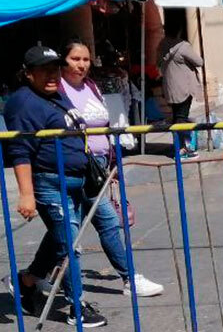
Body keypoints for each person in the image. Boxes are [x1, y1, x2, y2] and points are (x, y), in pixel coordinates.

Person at [2, 45, 107, 328]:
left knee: (59, 239)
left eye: (54, 69)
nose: (52, 75)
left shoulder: (55, 94)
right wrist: (27, 195)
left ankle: (25, 281)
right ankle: (77, 306)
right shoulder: (23, 103)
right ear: (28, 74)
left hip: (78, 180)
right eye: (44, 70)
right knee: (69, 245)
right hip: (50, 182)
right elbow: (20, 152)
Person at [58, 39, 164, 299]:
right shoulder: (57, 91)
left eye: (85, 59)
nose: (81, 65)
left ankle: (30, 277)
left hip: (98, 165)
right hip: (74, 168)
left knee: (70, 229)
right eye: (75, 59)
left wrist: (112, 162)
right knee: (100, 223)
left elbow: (105, 125)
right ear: (63, 61)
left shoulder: (90, 86)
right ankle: (129, 278)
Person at [157, 20, 206, 158]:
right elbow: (199, 62)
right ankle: (182, 149)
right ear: (179, 31)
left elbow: (157, 62)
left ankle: (179, 145)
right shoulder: (183, 46)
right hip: (184, 87)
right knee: (181, 117)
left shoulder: (162, 45)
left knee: (177, 116)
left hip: (170, 87)